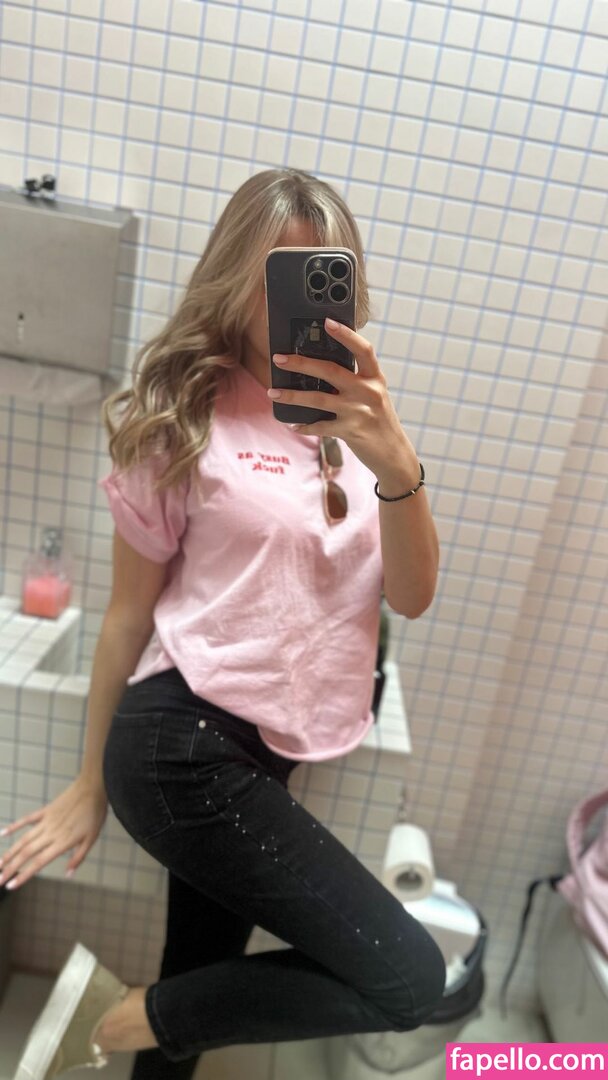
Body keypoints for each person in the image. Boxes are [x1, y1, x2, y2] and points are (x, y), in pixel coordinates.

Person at [9, 168, 445, 1080]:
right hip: (182, 747)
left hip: (264, 758)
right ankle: (124, 1020)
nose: (294, 305)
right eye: (275, 276)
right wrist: (89, 781)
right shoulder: (187, 416)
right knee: (410, 977)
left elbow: (410, 595)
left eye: (321, 276)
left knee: (200, 974)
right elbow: (129, 614)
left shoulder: (362, 426)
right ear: (234, 278)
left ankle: (134, 1023)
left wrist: (397, 461)